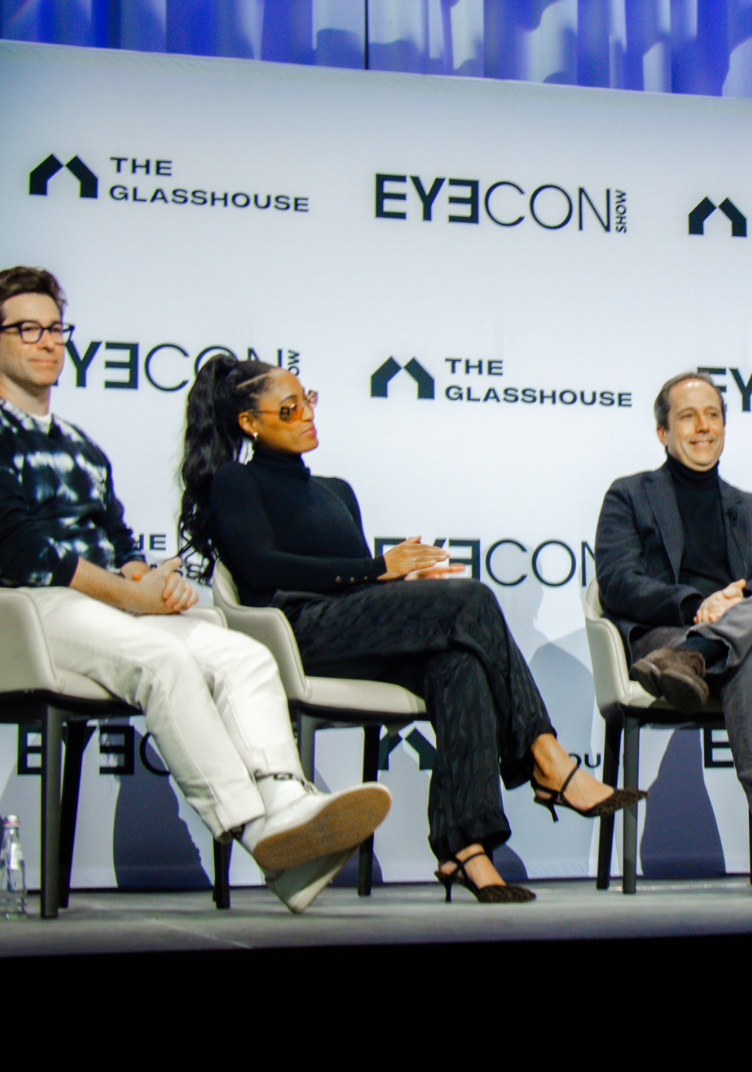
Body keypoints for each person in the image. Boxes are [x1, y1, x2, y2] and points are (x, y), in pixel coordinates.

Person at [0, 267, 390, 913]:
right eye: (26, 328)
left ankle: (285, 807)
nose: (47, 342)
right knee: (163, 658)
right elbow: (19, 552)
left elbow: (113, 543)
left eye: (55, 327)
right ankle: (257, 832)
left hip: (90, 604)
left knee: (241, 653)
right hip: (18, 611)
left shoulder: (80, 446)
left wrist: (144, 577)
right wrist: (124, 593)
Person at [178, 353, 643, 906]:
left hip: (352, 628)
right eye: (289, 406)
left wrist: (401, 589)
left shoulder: (335, 490)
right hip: (295, 633)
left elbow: (355, 590)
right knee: (471, 600)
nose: (307, 414)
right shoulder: (236, 482)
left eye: (310, 400)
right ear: (250, 423)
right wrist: (379, 569)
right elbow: (260, 570)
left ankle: (465, 850)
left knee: (460, 663)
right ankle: (548, 760)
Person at [594, 370, 752, 895]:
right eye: (687, 416)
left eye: (712, 415)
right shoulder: (628, 496)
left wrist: (743, 601)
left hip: (707, 650)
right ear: (663, 432)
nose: (702, 426)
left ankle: (707, 650)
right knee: (747, 657)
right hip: (666, 640)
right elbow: (617, 583)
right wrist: (695, 603)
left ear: (725, 427)